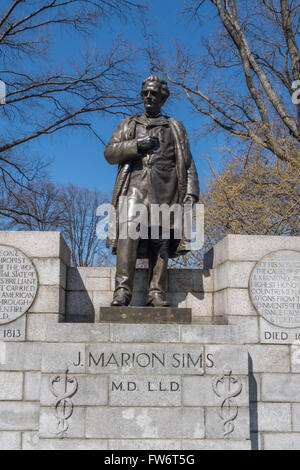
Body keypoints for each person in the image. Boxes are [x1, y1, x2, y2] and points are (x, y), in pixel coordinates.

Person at [104, 75, 199, 307]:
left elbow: (187, 162)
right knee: (128, 235)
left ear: (162, 97)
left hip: (167, 188)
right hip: (134, 188)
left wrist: (192, 192)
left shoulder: (175, 126)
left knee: (161, 241)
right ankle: (122, 291)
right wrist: (136, 146)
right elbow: (110, 153)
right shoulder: (129, 123)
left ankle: (156, 292)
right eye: (145, 92)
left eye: (153, 93)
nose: (148, 96)